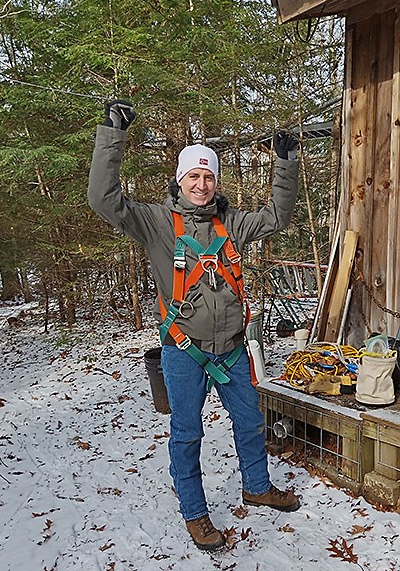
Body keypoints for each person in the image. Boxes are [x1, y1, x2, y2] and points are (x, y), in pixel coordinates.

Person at [88, 100, 301, 552]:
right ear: (180, 181)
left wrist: (285, 163)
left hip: (232, 349)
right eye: (193, 177)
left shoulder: (233, 223)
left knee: (249, 424)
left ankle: (256, 486)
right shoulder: (156, 223)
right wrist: (113, 135)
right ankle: (195, 513)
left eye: (208, 177)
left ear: (215, 181)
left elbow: (277, 216)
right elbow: (103, 200)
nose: (201, 185)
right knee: (187, 433)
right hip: (184, 351)